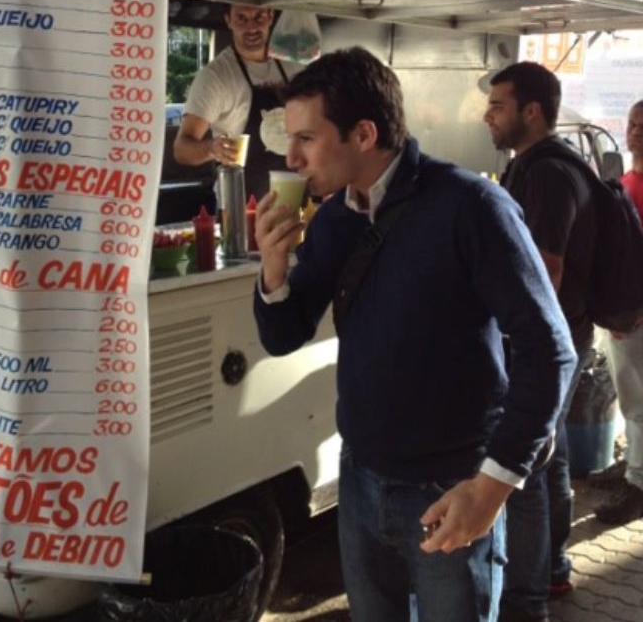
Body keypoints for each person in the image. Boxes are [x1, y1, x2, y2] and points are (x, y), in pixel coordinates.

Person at [254, 47, 576, 622]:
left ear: (362, 133)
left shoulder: (471, 207)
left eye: (306, 138)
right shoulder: (335, 218)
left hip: (449, 484)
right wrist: (273, 273)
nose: (290, 157)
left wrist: (491, 488)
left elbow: (550, 351)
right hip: (360, 479)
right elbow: (283, 336)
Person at [484, 61, 597, 622]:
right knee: (549, 457)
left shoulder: (547, 174)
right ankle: (551, 571)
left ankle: (525, 601)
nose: (488, 116)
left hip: (546, 338)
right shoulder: (535, 166)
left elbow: (545, 272)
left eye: (498, 106)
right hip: (558, 332)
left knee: (521, 465)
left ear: (531, 111)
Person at [173, 4, 303, 199]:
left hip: (294, 194)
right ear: (229, 21)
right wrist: (212, 149)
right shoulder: (215, 77)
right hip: (240, 203)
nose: (251, 27)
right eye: (241, 18)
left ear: (270, 16)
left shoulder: (294, 65)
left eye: (258, 17)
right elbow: (181, 149)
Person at [592, 99, 643, 524]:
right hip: (622, 314)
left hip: (637, 315)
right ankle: (632, 468)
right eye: (633, 123)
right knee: (631, 400)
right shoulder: (627, 179)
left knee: (640, 402)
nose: (637, 131)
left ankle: (639, 486)